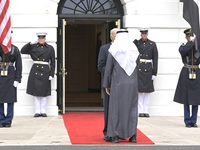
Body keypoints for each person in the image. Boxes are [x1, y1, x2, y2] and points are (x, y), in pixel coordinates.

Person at [103, 29, 139, 143]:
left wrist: (106, 85)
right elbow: (138, 69)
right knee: (132, 109)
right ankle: (132, 135)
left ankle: (114, 135)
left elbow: (108, 69)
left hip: (117, 84)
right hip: (132, 84)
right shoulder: (134, 50)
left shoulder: (113, 50)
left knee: (115, 109)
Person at [21, 32, 55, 117]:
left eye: (42, 38)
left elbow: (53, 62)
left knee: (44, 92)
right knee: (36, 92)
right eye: (39, 38)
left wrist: (52, 74)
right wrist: (30, 43)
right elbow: (22, 51)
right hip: (36, 69)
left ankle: (43, 111)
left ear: (45, 39)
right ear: (37, 39)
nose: (41, 40)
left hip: (45, 70)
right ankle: (37, 111)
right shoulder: (33, 47)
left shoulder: (50, 48)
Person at [174, 28, 199, 128]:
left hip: (196, 71)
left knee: (196, 98)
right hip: (186, 71)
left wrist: (196, 43)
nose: (190, 38)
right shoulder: (184, 46)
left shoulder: (197, 46)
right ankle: (187, 120)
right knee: (186, 98)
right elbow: (183, 51)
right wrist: (192, 43)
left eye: (191, 37)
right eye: (189, 37)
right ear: (186, 37)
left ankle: (194, 120)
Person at [97, 28, 118, 141]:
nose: (118, 37)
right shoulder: (104, 48)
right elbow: (100, 66)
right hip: (110, 83)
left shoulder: (125, 49)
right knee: (109, 108)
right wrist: (113, 72)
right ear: (111, 37)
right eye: (116, 35)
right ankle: (107, 132)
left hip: (121, 84)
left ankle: (119, 131)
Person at [134, 28, 158, 117]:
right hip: (139, 68)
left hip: (148, 69)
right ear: (141, 34)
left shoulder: (152, 44)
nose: (144, 35)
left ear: (147, 34)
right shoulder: (136, 43)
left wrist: (154, 72)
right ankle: (140, 111)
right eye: (142, 34)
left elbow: (155, 58)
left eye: (145, 34)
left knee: (147, 92)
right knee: (139, 91)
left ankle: (146, 111)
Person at [0, 33, 22, 127]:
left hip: (10, 75)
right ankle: (1, 119)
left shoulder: (15, 49)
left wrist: (17, 79)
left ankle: (8, 120)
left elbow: (19, 65)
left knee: (10, 99)